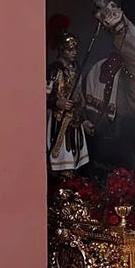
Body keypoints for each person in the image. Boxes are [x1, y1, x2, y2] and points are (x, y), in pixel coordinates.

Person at [47, 32, 92, 173]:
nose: (74, 53)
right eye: (70, 50)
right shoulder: (54, 70)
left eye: (75, 49)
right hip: (58, 120)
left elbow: (80, 99)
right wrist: (57, 102)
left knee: (76, 159)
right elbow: (42, 97)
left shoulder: (77, 69)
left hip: (75, 120)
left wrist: (84, 120)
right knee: (60, 158)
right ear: (62, 50)